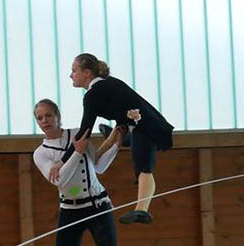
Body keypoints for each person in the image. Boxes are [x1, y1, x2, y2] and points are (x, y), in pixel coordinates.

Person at [32, 98, 149, 246]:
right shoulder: (40, 153)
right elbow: (60, 180)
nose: (45, 121)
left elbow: (98, 165)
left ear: (57, 115)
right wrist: (76, 152)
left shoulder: (77, 133)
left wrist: (116, 143)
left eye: (48, 115)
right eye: (39, 118)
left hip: (98, 206)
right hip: (70, 211)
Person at [60, 52, 174, 226]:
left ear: (87, 73)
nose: (71, 75)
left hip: (147, 127)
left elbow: (84, 132)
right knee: (124, 136)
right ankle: (125, 138)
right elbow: (125, 108)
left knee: (143, 166)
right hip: (133, 123)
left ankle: (142, 210)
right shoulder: (108, 84)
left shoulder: (93, 95)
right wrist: (106, 145)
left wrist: (62, 162)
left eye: (74, 70)